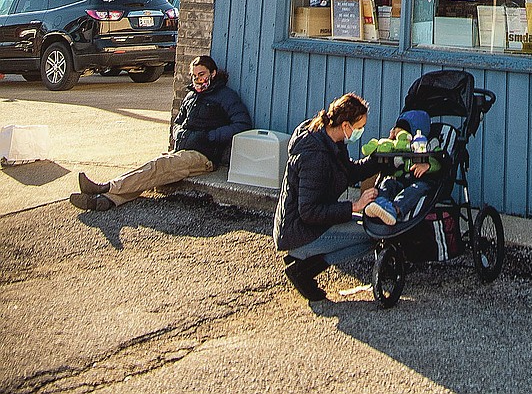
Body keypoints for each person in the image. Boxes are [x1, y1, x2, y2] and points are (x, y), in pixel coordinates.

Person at [70, 54, 252, 211]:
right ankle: (106, 200)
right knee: (153, 171)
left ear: (212, 73)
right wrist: (177, 132)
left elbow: (242, 123)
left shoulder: (225, 95)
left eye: (202, 74)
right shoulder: (191, 96)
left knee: (158, 166)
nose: (198, 79)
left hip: (203, 157)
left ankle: (106, 187)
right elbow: (178, 121)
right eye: (194, 75)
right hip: (181, 152)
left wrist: (211, 136)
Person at [273, 92, 380, 306]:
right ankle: (302, 269)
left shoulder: (328, 139)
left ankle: (303, 261)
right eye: (359, 127)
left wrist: (379, 161)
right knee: (372, 234)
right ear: (346, 125)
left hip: (306, 225)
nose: (360, 132)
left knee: (368, 228)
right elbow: (309, 211)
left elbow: (348, 171)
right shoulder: (315, 156)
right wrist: (354, 206)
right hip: (299, 230)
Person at [364, 109, 441, 226]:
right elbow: (392, 167)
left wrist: (428, 165)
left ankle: (395, 209)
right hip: (402, 181)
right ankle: (380, 205)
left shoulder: (430, 143)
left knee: (415, 189)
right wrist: (390, 142)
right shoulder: (399, 147)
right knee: (388, 182)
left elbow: (441, 161)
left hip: (423, 181)